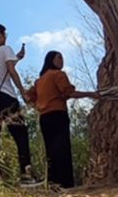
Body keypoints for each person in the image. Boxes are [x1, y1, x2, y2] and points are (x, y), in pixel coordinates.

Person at [31, 50, 99, 189]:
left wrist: (40, 105)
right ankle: (66, 184)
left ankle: (53, 183)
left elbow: (29, 97)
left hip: (44, 118)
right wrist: (90, 94)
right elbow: (70, 92)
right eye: (59, 57)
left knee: (50, 151)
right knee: (62, 149)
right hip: (58, 115)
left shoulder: (39, 81)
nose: (62, 60)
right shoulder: (58, 75)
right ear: (51, 60)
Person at [0, 22, 35, 184]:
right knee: (21, 136)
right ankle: (26, 175)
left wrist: (17, 57)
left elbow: (1, 67)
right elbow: (10, 70)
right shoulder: (5, 49)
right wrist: (23, 91)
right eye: (5, 34)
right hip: (7, 98)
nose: (6, 37)